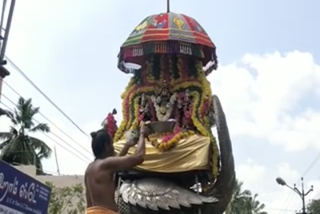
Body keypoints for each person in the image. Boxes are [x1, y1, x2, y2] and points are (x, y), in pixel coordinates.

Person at [85, 123, 150, 214]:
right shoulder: (105, 164)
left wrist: (127, 146)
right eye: (112, 144)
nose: (113, 148)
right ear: (107, 146)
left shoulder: (90, 168)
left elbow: (114, 163)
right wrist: (142, 134)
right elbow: (139, 158)